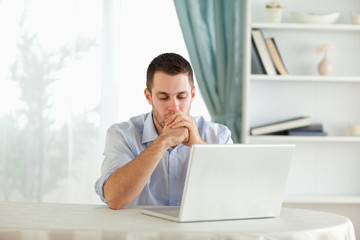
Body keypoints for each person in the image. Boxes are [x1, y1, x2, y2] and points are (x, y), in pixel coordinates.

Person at [95, 53, 233, 209]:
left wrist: (199, 145)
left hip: (197, 232)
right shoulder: (122, 135)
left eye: (181, 96)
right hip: (141, 230)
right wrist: (163, 142)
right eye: (163, 97)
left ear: (193, 94)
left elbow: (235, 193)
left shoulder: (219, 136)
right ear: (149, 96)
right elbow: (114, 198)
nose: (174, 107)